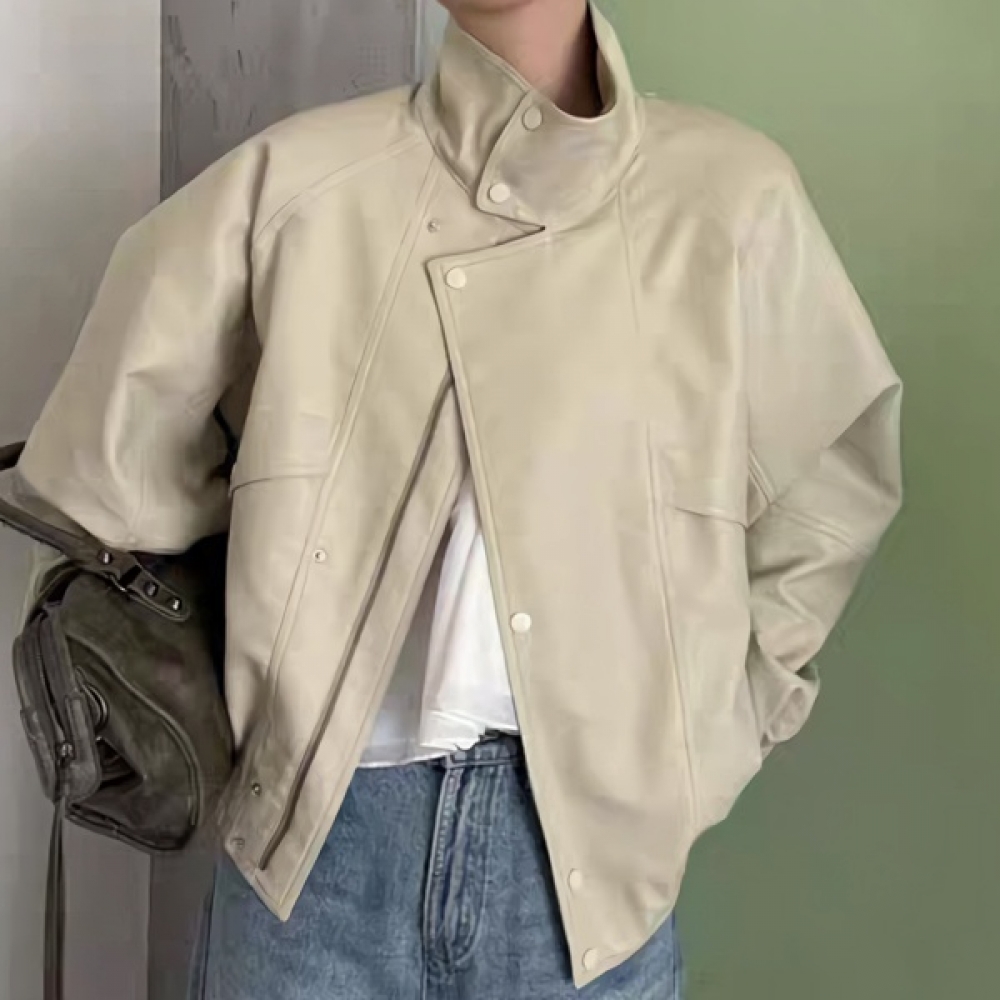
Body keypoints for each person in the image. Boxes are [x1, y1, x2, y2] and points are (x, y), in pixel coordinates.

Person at [13, 0, 903, 997]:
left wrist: (713, 733)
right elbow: (97, 468)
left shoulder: (729, 200)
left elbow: (831, 483)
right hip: (314, 863)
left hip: (591, 884)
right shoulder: (299, 186)